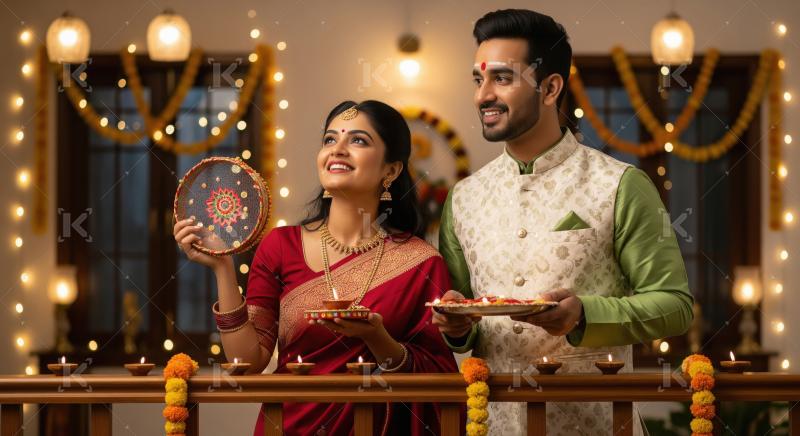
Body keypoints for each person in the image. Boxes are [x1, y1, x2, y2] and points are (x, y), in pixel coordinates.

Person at [433, 9, 694, 435]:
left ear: (551, 87)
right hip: (494, 426)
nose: (483, 96)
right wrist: (455, 327)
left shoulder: (620, 185)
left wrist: (584, 315)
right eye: (478, 80)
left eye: (502, 78)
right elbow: (461, 320)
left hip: (599, 425)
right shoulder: (463, 199)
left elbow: (674, 306)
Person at [175, 100, 459, 436]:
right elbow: (248, 363)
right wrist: (223, 268)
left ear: (391, 170)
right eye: (329, 139)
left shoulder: (421, 263)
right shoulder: (281, 246)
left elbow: (438, 379)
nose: (337, 149)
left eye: (358, 140)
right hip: (288, 426)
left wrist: (378, 338)